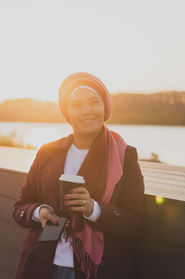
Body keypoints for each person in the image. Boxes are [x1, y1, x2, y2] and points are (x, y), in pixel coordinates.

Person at [13, 72, 145, 279]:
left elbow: (135, 223)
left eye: (94, 102)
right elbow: (21, 206)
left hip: (96, 270)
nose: (86, 111)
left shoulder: (125, 156)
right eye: (76, 105)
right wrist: (40, 212)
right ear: (67, 112)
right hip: (42, 264)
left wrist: (94, 209)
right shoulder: (47, 151)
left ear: (105, 107)